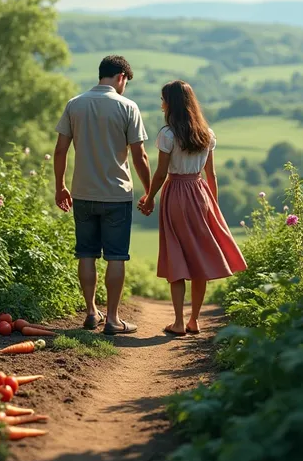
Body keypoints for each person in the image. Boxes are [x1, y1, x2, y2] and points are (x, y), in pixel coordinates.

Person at [139, 80, 247, 336]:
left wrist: (149, 197)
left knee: (176, 255)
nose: (161, 103)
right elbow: (212, 175)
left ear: (172, 103)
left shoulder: (167, 134)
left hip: (175, 194)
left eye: (163, 99)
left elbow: (162, 173)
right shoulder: (207, 134)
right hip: (200, 195)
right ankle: (194, 320)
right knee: (199, 256)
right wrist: (214, 206)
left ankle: (178, 321)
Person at [54, 55, 151, 335]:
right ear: (121, 77)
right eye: (126, 83)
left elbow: (60, 150)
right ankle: (112, 319)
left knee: (86, 253)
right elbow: (139, 155)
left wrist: (60, 186)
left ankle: (90, 312)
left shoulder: (75, 104)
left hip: (82, 192)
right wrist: (148, 190)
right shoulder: (128, 107)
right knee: (116, 257)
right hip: (117, 195)